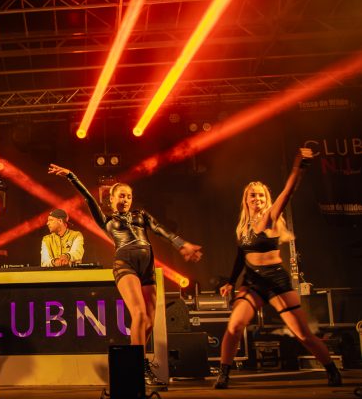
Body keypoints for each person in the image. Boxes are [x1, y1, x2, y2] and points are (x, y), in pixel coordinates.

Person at [48, 164, 202, 387]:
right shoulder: (107, 220)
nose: (126, 199)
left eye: (129, 196)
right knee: (139, 314)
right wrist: (72, 176)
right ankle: (140, 368)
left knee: (148, 322)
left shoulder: (141, 215)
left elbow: (160, 229)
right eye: (121, 196)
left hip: (147, 268)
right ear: (111, 198)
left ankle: (131, 364)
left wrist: (182, 244)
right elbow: (88, 198)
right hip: (125, 265)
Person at [214, 148, 342, 389]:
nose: (257, 199)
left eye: (261, 195)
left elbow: (288, 192)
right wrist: (231, 282)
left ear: (267, 199)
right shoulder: (243, 227)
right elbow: (241, 256)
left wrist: (297, 168)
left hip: (276, 281)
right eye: (253, 195)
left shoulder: (270, 217)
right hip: (252, 282)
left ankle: (332, 370)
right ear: (246, 199)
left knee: (303, 334)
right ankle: (224, 374)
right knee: (234, 326)